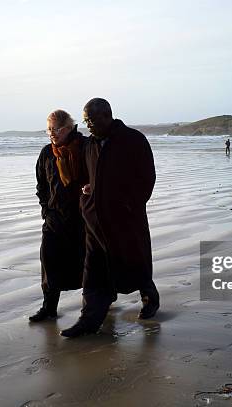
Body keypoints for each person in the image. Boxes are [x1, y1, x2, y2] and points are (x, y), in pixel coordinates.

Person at [60, 98, 160, 338]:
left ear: (107, 115)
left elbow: (147, 178)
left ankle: (149, 298)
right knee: (93, 270)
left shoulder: (133, 140)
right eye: (85, 121)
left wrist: (129, 205)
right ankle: (89, 320)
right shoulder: (90, 145)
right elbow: (86, 176)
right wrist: (86, 195)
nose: (88, 125)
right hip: (95, 220)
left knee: (134, 263)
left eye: (91, 120)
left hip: (125, 220)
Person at [30, 110, 87, 322]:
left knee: (86, 264)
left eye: (56, 129)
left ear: (68, 128)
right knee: (49, 260)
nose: (52, 134)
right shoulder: (47, 153)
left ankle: (96, 305)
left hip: (82, 219)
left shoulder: (84, 147)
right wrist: (46, 210)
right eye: (49, 129)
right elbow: (41, 185)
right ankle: (49, 307)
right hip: (54, 219)